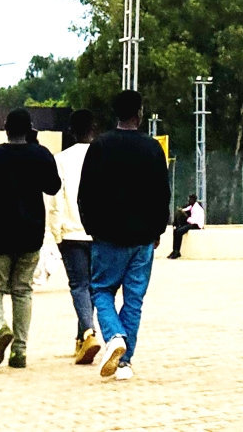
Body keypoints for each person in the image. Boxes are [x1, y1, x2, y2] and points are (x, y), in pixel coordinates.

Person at [78, 90, 171, 381]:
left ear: (115, 113)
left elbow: (86, 193)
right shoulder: (153, 148)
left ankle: (114, 336)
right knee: (134, 300)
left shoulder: (100, 146)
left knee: (102, 290)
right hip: (143, 238)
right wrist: (158, 229)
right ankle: (125, 362)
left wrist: (91, 227)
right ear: (139, 113)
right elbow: (162, 194)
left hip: (107, 236)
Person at [0, 108, 61, 369]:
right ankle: (19, 351)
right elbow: (53, 186)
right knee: (22, 290)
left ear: (5, 128)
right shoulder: (40, 155)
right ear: (30, 129)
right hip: (31, 235)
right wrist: (36, 145)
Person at [46, 109, 101, 366]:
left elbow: (54, 200)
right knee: (93, 287)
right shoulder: (104, 155)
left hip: (71, 233)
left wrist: (57, 232)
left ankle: (88, 332)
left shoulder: (60, 160)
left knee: (79, 286)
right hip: (100, 233)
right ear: (94, 128)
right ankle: (82, 337)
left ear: (71, 130)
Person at [166, 194, 205, 259]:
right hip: (192, 223)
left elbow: (193, 221)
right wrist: (180, 211)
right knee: (176, 230)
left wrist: (186, 217)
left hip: (196, 225)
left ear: (194, 200)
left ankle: (177, 252)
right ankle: (174, 250)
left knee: (179, 232)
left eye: (190, 199)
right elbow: (185, 209)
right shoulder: (192, 206)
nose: (189, 201)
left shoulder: (197, 209)